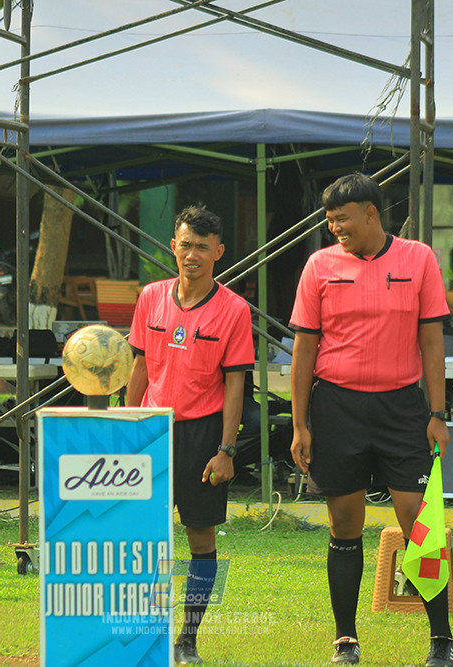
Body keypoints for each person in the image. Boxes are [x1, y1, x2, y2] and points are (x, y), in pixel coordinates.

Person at [289, 173, 453, 666]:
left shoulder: (418, 258)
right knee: (345, 523)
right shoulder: (319, 265)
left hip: (402, 409)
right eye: (328, 218)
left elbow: (432, 341)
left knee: (419, 524)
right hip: (336, 407)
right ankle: (346, 639)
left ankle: (441, 641)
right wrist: (300, 424)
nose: (333, 226)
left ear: (371, 214)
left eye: (341, 217)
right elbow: (304, 349)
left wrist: (438, 412)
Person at [125, 204, 254, 665]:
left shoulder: (235, 310)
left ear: (218, 251)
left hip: (203, 437)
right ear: (174, 246)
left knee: (201, 540)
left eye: (203, 247)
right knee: (140, 537)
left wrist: (226, 449)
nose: (192, 254)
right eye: (185, 245)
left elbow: (235, 384)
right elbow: (139, 365)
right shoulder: (150, 297)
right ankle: (140, 631)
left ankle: (188, 638)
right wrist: (127, 426)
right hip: (150, 431)